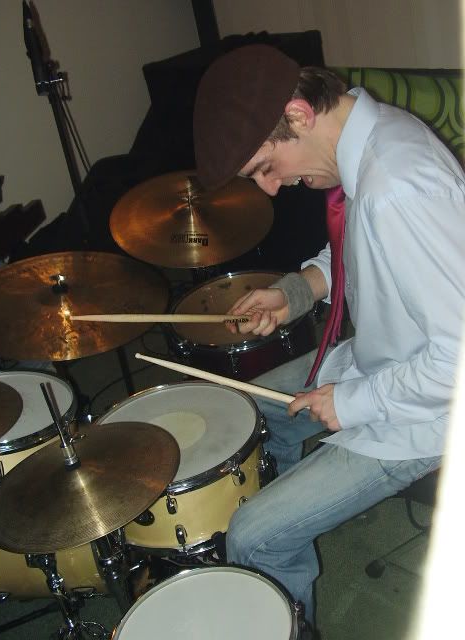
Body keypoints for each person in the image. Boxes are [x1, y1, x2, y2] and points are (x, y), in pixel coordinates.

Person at [193, 44, 465, 631]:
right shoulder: (370, 141)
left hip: (427, 409)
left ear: (297, 114)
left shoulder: (400, 186)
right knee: (248, 414)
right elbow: (361, 251)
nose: (271, 188)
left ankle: (281, 539)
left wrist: (352, 403)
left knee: (253, 537)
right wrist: (294, 292)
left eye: (265, 166)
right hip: (383, 358)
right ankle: (302, 504)